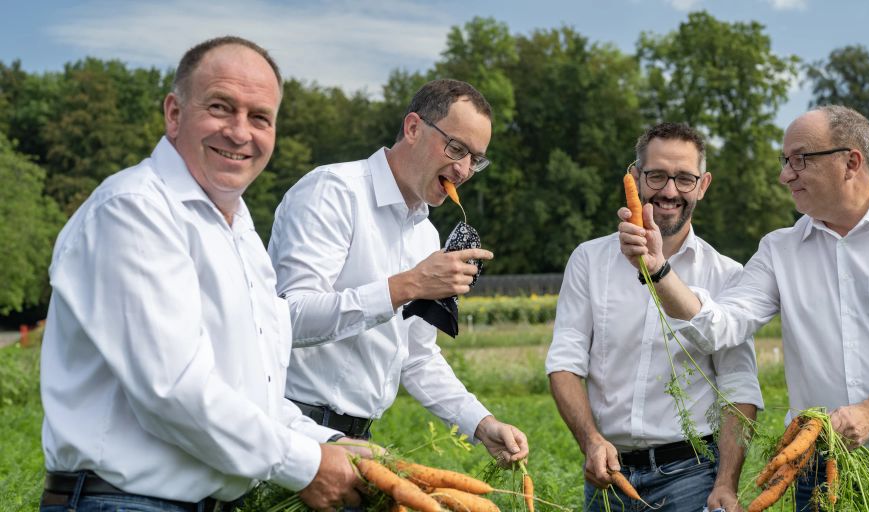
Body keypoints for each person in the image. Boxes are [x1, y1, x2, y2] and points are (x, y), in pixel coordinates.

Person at [39, 37, 371, 512]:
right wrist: (307, 466)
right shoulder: (135, 210)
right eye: (220, 108)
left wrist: (330, 443)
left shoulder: (238, 231)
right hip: (121, 502)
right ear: (174, 114)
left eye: (260, 117)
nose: (240, 133)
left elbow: (249, 390)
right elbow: (172, 388)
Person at [619, 105, 869, 511]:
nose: (784, 174)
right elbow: (720, 326)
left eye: (799, 160)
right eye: (784, 161)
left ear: (850, 162)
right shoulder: (780, 250)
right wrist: (659, 270)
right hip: (822, 463)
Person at [268, 79, 528, 465]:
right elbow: (289, 319)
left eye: (476, 159)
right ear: (412, 128)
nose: (463, 170)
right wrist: (409, 284)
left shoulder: (425, 234)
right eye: (456, 149)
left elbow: (418, 357)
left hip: (358, 440)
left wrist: (481, 423)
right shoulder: (334, 192)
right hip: (292, 426)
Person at [547, 122, 763, 512]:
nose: (669, 191)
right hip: (608, 475)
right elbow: (564, 362)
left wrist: (726, 483)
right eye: (657, 176)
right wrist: (591, 441)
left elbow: (739, 389)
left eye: (684, 178)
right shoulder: (589, 260)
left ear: (703, 185)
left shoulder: (727, 274)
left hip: (691, 474)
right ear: (635, 177)